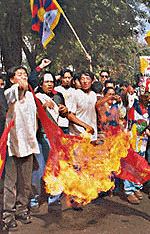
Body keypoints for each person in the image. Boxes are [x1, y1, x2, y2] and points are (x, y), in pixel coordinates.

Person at [31, 72, 94, 213]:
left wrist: (85, 125)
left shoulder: (57, 97)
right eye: (46, 81)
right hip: (40, 138)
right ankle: (34, 200)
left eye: (51, 81)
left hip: (55, 139)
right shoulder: (35, 98)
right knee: (39, 171)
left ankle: (53, 201)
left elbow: (67, 114)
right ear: (40, 84)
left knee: (57, 169)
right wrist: (40, 108)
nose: (49, 84)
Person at [2, 66, 40, 231]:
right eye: (19, 75)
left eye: (25, 74)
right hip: (13, 145)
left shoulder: (31, 96)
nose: (23, 77)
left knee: (25, 183)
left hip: (29, 144)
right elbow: (17, 90)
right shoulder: (9, 93)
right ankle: (8, 216)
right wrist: (26, 79)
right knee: (11, 183)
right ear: (12, 80)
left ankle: (22, 210)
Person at [123, 88, 150, 204]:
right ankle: (129, 190)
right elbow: (126, 100)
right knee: (129, 164)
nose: (145, 97)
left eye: (147, 95)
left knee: (139, 164)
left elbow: (147, 121)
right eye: (143, 95)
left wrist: (147, 128)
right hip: (132, 138)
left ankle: (137, 187)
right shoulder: (133, 103)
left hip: (142, 140)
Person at [69, 71, 98, 141]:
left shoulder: (93, 95)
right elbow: (70, 115)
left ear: (92, 81)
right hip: (78, 136)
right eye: (82, 79)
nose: (85, 81)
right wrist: (85, 126)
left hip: (92, 136)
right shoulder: (75, 94)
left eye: (87, 79)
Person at [54, 69, 77, 134]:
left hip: (71, 124)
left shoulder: (74, 91)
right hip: (59, 123)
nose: (67, 80)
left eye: (69, 78)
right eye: (65, 77)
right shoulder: (56, 90)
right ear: (61, 78)